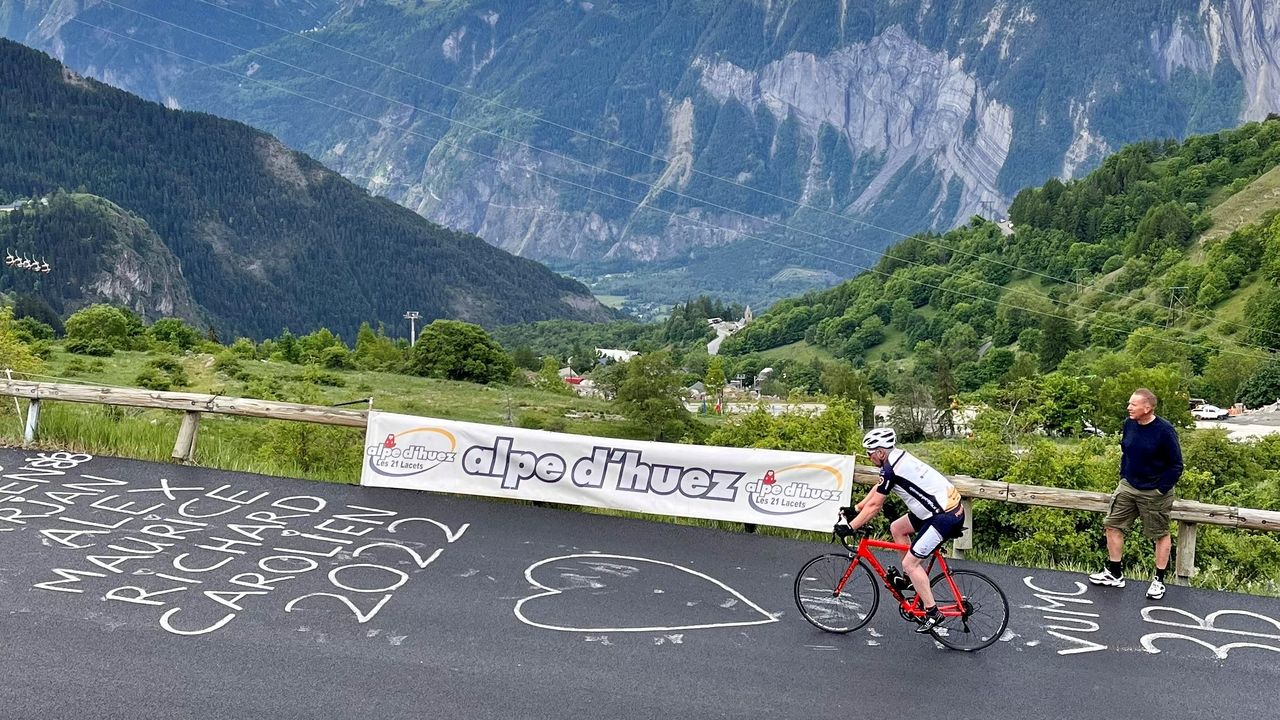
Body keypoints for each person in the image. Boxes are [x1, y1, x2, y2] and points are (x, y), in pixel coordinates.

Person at [839, 427, 965, 633]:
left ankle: (933, 613)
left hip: (944, 516)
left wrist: (851, 527)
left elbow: (876, 506)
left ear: (880, 452)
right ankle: (910, 581)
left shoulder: (891, 468)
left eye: (869, 453)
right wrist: (856, 508)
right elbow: (878, 489)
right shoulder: (895, 459)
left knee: (910, 563)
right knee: (897, 528)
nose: (869, 457)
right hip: (936, 510)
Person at [1088, 388, 1183, 600]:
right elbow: (1126, 452)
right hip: (1129, 485)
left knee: (1159, 533)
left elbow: (1176, 464)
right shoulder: (1129, 424)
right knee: (1112, 524)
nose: (1128, 408)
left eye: (1133, 404)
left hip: (1155, 490)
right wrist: (1124, 476)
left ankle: (1158, 580)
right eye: (1129, 404)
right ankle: (1115, 573)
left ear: (1147, 408)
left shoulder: (1164, 430)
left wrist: (1161, 489)